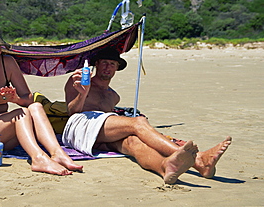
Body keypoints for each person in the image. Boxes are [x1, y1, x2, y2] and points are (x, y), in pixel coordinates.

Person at [62, 47, 231, 184]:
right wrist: (83, 94)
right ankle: (199, 160)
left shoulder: (114, 96)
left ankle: (164, 167)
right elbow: (73, 113)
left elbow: (109, 124)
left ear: (117, 68)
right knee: (138, 123)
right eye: (104, 63)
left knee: (133, 142)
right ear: (96, 64)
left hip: (99, 136)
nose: (108, 67)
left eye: (112, 64)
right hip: (80, 126)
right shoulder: (78, 82)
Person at [0, 16, 83, 175]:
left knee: (36, 106)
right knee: (21, 114)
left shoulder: (8, 63)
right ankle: (38, 158)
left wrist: (15, 99)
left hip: (1, 134)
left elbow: (28, 99)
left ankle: (57, 153)